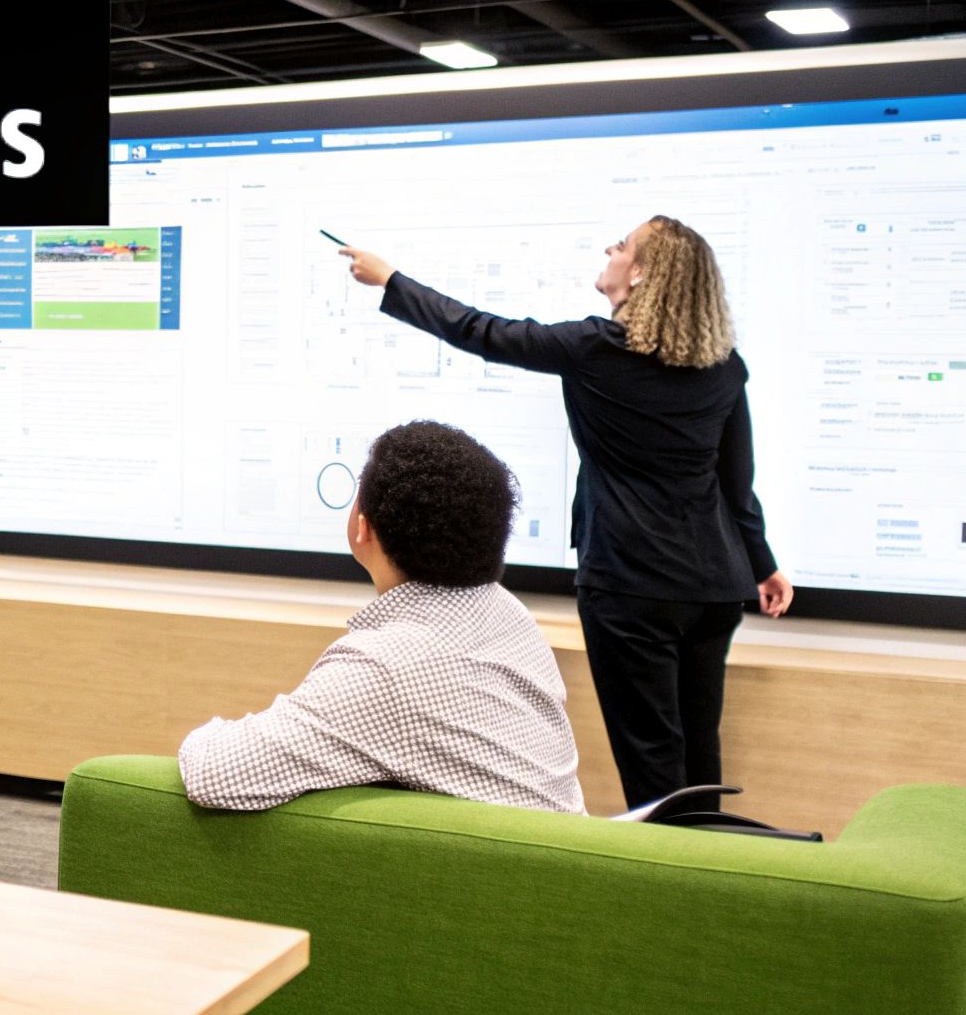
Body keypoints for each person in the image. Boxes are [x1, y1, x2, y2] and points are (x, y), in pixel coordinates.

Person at [340, 216, 793, 815]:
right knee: (699, 763)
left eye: (623, 244)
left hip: (632, 585)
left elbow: (481, 331)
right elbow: (738, 486)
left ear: (640, 273)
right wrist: (762, 565)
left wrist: (392, 279)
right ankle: (712, 888)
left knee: (654, 768)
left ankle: (672, 898)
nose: (611, 248)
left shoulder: (593, 350)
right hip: (714, 588)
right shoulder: (724, 367)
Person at [178, 420, 585, 815]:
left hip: (493, 880)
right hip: (561, 865)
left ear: (362, 528)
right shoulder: (511, 615)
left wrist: (205, 732)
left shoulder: (384, 667)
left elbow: (212, 774)